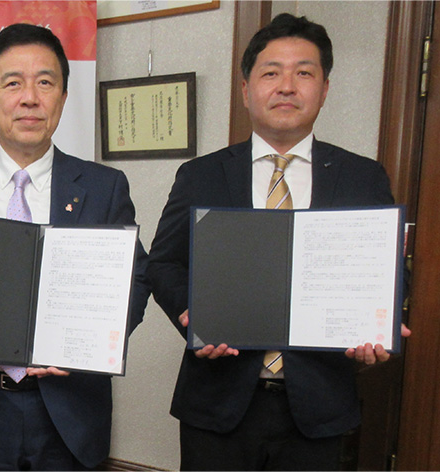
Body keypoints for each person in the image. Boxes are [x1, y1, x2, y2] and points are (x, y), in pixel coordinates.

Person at [147, 13, 411, 471]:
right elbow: (164, 264)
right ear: (246, 89)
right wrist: (192, 315)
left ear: (324, 89)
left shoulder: (362, 178)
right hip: (217, 403)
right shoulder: (202, 175)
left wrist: (380, 322)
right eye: (271, 73)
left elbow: (386, 272)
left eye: (304, 73)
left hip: (319, 406)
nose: (287, 86)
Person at [0, 23, 150, 471]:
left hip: (69, 407)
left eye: (45, 82)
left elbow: (135, 282)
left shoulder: (103, 187)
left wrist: (91, 342)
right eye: (13, 83)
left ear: (62, 97)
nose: (29, 98)